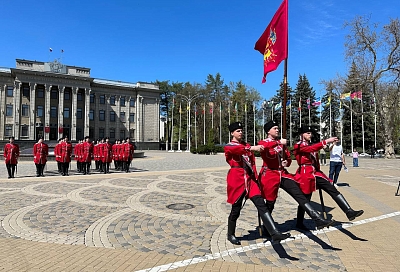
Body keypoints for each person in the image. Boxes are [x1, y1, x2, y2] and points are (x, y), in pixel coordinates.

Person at [258, 121, 334, 230]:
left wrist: (286, 162)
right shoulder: (264, 142)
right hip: (270, 175)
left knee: (298, 194)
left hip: (282, 173)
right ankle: (267, 228)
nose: (277, 130)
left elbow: (288, 158)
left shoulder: (281, 144)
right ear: (268, 131)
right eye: (274, 128)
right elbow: (264, 147)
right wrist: (279, 142)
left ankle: (317, 218)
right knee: (270, 203)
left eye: (277, 128)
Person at [224, 122, 290, 245]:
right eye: (238, 131)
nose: (241, 132)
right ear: (232, 133)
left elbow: (252, 162)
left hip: (250, 180)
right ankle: (230, 234)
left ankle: (274, 232)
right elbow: (236, 150)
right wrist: (252, 148)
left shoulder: (246, 145)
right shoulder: (229, 146)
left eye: (241, 130)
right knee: (236, 209)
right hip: (237, 180)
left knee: (261, 205)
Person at [293, 126, 364, 229]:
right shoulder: (298, 145)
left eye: (310, 133)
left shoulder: (311, 145)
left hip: (315, 173)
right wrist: (326, 141)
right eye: (307, 133)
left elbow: (315, 160)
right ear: (302, 134)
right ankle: (299, 222)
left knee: (332, 189)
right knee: (305, 199)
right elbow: (310, 149)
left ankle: (348, 211)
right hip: (305, 174)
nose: (310, 135)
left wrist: (322, 174)